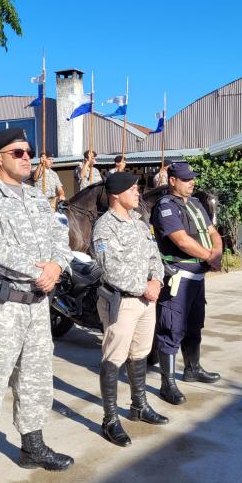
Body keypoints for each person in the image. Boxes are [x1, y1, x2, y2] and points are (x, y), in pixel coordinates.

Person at [0, 128, 74, 483]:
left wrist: (56, 266)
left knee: (36, 380)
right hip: (0, 306)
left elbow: (61, 237)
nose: (27, 157)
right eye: (18, 152)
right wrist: (40, 271)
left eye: (29, 152)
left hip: (38, 307)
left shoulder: (38, 198)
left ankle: (32, 447)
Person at [91, 172, 168, 446]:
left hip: (147, 300)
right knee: (114, 357)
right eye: (132, 189)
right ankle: (110, 419)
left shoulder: (139, 224)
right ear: (116, 194)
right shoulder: (104, 227)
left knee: (140, 354)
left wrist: (157, 281)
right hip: (121, 301)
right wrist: (143, 287)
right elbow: (110, 268)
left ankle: (139, 406)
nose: (138, 193)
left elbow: (154, 257)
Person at [150, 162, 223, 405]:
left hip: (197, 278)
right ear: (172, 180)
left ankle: (193, 368)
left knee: (194, 325)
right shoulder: (166, 207)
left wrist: (218, 252)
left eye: (192, 178)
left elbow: (212, 231)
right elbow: (181, 241)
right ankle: (167, 384)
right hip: (178, 277)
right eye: (185, 179)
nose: (191, 182)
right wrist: (209, 256)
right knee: (171, 328)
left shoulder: (195, 203)